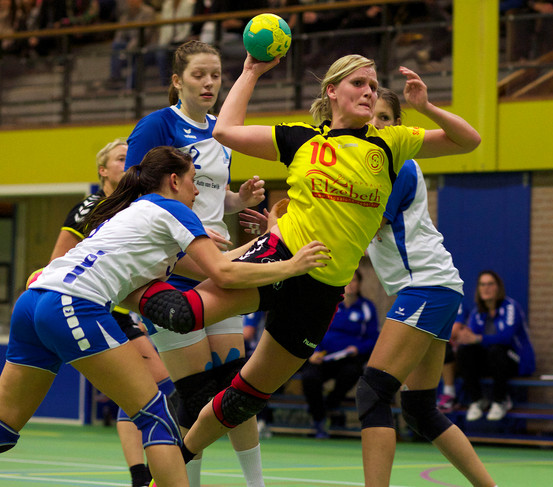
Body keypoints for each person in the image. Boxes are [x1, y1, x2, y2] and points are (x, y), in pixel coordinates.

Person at [146, 50, 483, 484]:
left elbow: (469, 141)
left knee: (246, 396)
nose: (368, 91)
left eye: (374, 85)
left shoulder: (391, 144)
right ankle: (123, 287)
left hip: (322, 289)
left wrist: (426, 108)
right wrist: (249, 72)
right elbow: (226, 130)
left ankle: (179, 458)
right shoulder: (303, 140)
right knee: (183, 313)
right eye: (359, 83)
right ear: (332, 91)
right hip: (279, 255)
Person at [0, 147, 328, 487]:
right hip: (73, 305)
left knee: (4, 428)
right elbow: (225, 275)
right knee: (157, 419)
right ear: (174, 181)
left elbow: (220, 263)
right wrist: (293, 266)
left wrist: (272, 236)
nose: (198, 191)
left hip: (33, 302)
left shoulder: (137, 213)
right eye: (193, 181)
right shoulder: (171, 208)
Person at [123, 39, 268, 487]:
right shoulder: (156, 126)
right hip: (174, 271)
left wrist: (236, 200)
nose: (208, 83)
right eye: (198, 75)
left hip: (217, 265)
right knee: (195, 392)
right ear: (177, 81)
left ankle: (256, 484)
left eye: (215, 75)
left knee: (235, 390)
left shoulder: (222, 132)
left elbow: (203, 196)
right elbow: (132, 196)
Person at [356, 87, 496, 487]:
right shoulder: (369, 169)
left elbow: (361, 226)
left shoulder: (397, 166)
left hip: (427, 286)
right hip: (433, 288)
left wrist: (288, 236)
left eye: (384, 118)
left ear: (398, 127)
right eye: (370, 117)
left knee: (372, 392)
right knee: (419, 408)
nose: (375, 124)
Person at [48, 138, 175, 487]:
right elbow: (57, 261)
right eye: (120, 159)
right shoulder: (91, 207)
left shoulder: (135, 207)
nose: (127, 162)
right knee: (151, 384)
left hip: (118, 309)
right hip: (83, 304)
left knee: (151, 384)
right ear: (103, 170)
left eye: (129, 158)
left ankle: (141, 474)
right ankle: (141, 474)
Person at [301, 269, 379, 439]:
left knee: (351, 373)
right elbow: (315, 330)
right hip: (324, 357)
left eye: (354, 281)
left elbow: (373, 338)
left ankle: (328, 407)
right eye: (348, 281)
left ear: (359, 285)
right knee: (309, 377)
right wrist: (314, 352)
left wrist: (358, 348)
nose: (350, 285)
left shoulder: (367, 307)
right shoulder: (331, 303)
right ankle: (320, 421)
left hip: (350, 359)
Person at [455, 270, 535, 422]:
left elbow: (506, 337)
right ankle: (477, 400)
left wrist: (477, 338)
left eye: (490, 284)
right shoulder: (477, 312)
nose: (486, 288)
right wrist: (464, 337)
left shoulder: (510, 307)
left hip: (514, 360)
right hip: (491, 361)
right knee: (465, 351)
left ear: (498, 287)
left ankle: (500, 400)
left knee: (497, 350)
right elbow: (471, 339)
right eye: (482, 284)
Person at [106, 0, 157, 90]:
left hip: (147, 46)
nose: (130, 2)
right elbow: (120, 34)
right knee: (116, 45)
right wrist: (123, 47)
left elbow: (144, 35)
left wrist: (129, 48)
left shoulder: (148, 12)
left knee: (137, 55)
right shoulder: (126, 14)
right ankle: (115, 78)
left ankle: (133, 88)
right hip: (129, 45)